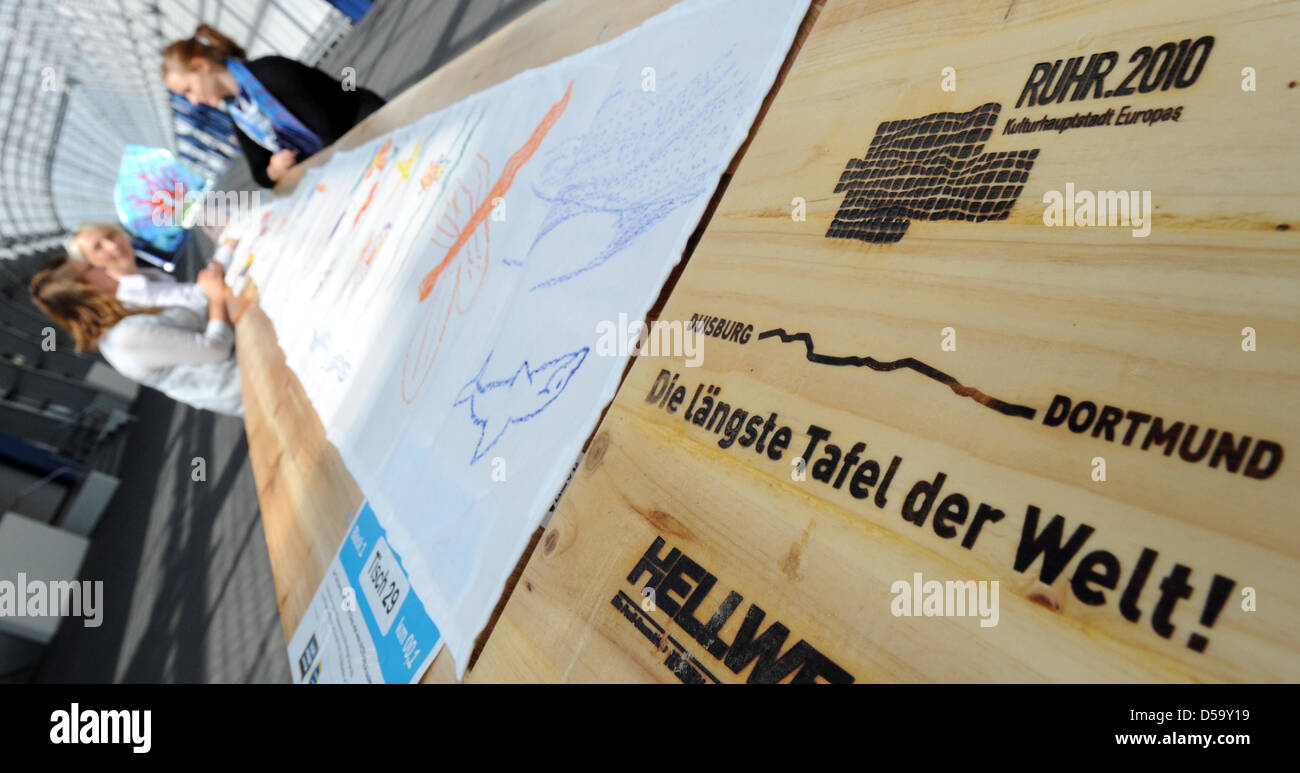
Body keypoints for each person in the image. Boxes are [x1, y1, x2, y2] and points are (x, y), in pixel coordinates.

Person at [162, 24, 386, 187]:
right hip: (344, 157)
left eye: (188, 90)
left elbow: (331, 127)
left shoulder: (272, 72)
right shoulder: (239, 114)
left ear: (202, 66)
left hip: (370, 128)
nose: (192, 101)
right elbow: (260, 173)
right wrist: (273, 169)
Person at [30, 256, 244, 417]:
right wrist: (217, 298)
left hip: (248, 363)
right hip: (249, 385)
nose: (101, 265)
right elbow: (216, 349)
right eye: (90, 267)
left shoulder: (125, 314)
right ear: (84, 288)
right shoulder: (124, 337)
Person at [65, 222, 211, 310]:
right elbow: (200, 298)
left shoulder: (149, 274)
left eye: (110, 236)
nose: (112, 245)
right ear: (90, 264)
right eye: (98, 247)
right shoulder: (129, 298)